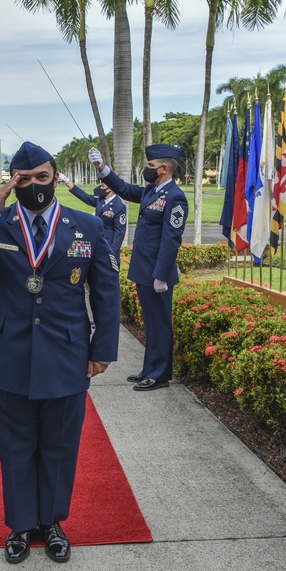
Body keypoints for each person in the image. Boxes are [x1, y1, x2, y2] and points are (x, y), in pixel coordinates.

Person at [0, 140, 120, 565]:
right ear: (14, 181)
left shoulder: (86, 226)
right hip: (8, 351)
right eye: (25, 179)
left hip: (67, 351)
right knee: (16, 443)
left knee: (59, 444)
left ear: (56, 178)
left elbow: (107, 293)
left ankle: (53, 523)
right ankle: (21, 524)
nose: (36, 185)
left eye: (43, 177)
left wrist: (103, 349)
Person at [92, 144, 187, 391]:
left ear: (164, 169)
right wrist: (102, 168)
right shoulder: (151, 190)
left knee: (160, 324)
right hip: (144, 269)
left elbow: (171, 239)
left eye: (151, 166)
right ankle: (150, 368)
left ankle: (160, 375)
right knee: (150, 322)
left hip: (157, 273)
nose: (147, 169)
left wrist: (161, 275)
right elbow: (122, 188)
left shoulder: (175, 197)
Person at [58, 172, 127, 266]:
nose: (100, 188)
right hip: (96, 243)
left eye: (103, 186)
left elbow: (119, 233)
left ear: (111, 188)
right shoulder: (100, 200)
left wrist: (111, 254)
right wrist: (67, 182)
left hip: (108, 246)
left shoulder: (119, 206)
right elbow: (84, 196)